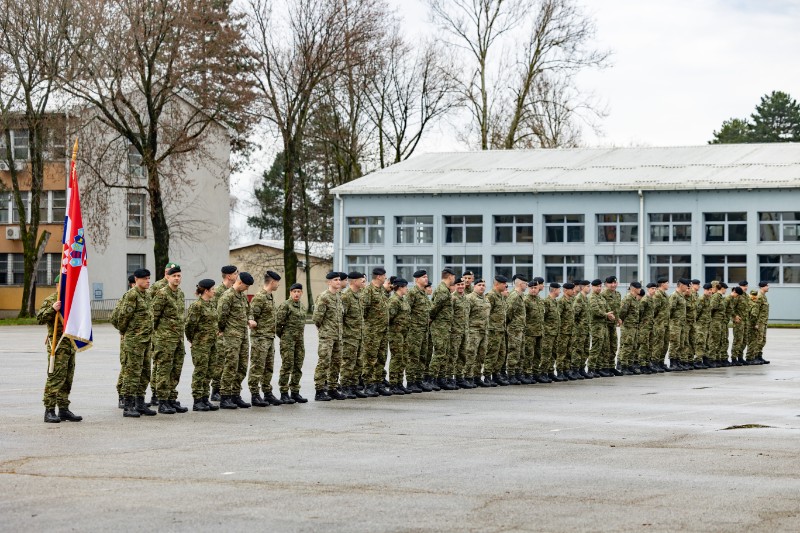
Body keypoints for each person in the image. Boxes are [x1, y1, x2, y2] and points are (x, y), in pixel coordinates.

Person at [37, 275, 82, 423]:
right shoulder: (51, 300)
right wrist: (52, 309)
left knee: (67, 379)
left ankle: (63, 409)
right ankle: (49, 410)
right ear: (57, 285)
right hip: (58, 345)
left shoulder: (71, 300)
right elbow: (40, 318)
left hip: (70, 345)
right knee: (55, 378)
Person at [116, 269, 157, 418]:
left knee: (145, 373)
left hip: (146, 341)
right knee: (132, 373)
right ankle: (128, 405)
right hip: (134, 342)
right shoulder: (132, 295)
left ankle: (140, 403)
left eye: (149, 278)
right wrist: (127, 333)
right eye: (145, 279)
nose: (148, 281)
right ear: (136, 279)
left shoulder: (146, 295)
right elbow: (122, 318)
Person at [151, 265, 187, 414]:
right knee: (164, 370)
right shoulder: (162, 294)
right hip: (164, 340)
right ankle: (162, 401)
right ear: (168, 277)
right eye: (174, 276)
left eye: (179, 276)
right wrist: (155, 338)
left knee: (176, 369)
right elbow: (153, 317)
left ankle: (172, 398)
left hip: (178, 339)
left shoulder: (180, 294)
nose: (177, 278)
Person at [218, 272, 256, 409]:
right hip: (231, 337)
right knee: (230, 366)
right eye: (246, 286)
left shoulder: (242, 297)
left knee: (242, 366)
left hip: (243, 336)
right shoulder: (227, 296)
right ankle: (225, 396)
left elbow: (248, 311)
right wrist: (223, 330)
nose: (247, 289)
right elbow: (221, 317)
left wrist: (250, 319)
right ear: (240, 283)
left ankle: (235, 394)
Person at [146, 260, 178, 406]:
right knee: (160, 366)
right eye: (169, 272)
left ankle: (169, 396)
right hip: (162, 335)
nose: (173, 276)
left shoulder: (178, 292)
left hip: (175, 336)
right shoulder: (157, 287)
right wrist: (156, 332)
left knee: (173, 367)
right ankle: (156, 394)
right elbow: (153, 310)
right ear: (165, 273)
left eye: (178, 275)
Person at [185, 279, 220, 412]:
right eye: (212, 289)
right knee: (200, 371)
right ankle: (197, 400)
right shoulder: (197, 306)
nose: (214, 291)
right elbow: (189, 326)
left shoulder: (211, 305)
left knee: (209, 371)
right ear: (206, 291)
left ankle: (205, 398)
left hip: (212, 343)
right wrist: (192, 339)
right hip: (201, 345)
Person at [248, 271, 281, 407]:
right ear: (272, 282)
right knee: (257, 367)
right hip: (260, 338)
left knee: (268, 367)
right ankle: (255, 394)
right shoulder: (260, 297)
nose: (278, 285)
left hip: (269, 338)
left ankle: (267, 393)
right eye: (277, 282)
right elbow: (251, 315)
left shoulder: (270, 296)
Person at [313, 271, 344, 401]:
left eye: (339, 280)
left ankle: (332, 388)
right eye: (335, 280)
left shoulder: (338, 297)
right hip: (327, 336)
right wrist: (324, 330)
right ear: (329, 282)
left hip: (338, 335)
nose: (338, 282)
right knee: (324, 362)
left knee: (336, 363)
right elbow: (316, 318)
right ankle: (319, 390)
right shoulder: (324, 297)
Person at [210, 265, 238, 401]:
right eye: (235, 273)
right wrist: (217, 330)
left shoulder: (235, 291)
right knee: (219, 361)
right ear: (228, 276)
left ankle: (227, 388)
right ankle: (215, 389)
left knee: (229, 362)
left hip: (232, 332)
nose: (237, 275)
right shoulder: (218, 291)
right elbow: (214, 312)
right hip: (220, 333)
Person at [276, 283, 308, 403]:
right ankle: (284, 392)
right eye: (294, 291)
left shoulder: (302, 307)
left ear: (301, 293)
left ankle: (295, 391)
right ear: (290, 293)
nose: (296, 294)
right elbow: (278, 324)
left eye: (299, 291)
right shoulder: (286, 305)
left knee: (298, 365)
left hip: (299, 340)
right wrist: (284, 336)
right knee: (287, 365)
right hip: (288, 340)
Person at [361, 267, 389, 398]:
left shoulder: (382, 290)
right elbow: (363, 310)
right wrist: (370, 325)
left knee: (381, 357)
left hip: (383, 330)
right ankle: (368, 385)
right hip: (372, 331)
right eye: (384, 276)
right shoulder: (368, 290)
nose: (385, 278)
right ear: (379, 276)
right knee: (370, 359)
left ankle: (378, 383)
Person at [341, 271, 369, 398]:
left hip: (359, 335)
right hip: (349, 337)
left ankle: (354, 386)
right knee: (348, 363)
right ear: (354, 281)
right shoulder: (346, 296)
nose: (363, 281)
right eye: (361, 280)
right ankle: (345, 387)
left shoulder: (359, 295)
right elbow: (341, 317)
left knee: (358, 363)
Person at [429, 268, 456, 389]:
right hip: (439, 326)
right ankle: (431, 378)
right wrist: (431, 318)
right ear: (450, 276)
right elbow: (434, 308)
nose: (454, 280)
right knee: (439, 353)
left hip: (445, 326)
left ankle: (441, 378)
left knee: (444, 353)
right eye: (454, 277)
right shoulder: (442, 290)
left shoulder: (445, 290)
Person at [406, 270, 432, 392]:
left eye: (426, 277)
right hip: (414, 331)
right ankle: (411, 382)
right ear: (417, 279)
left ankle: (419, 380)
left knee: (423, 356)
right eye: (423, 277)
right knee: (413, 357)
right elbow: (407, 311)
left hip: (424, 330)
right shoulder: (412, 293)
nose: (426, 279)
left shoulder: (423, 293)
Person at [113, 274, 136, 408]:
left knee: (136, 369)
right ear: (132, 284)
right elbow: (116, 317)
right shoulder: (127, 297)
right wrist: (123, 331)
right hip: (128, 339)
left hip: (140, 339)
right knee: (127, 367)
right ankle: (122, 394)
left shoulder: (143, 296)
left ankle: (135, 397)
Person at [387, 278, 411, 394]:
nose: (407, 289)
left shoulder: (403, 300)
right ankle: (393, 383)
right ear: (400, 287)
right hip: (395, 334)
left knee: (403, 358)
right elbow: (389, 318)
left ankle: (400, 382)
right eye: (406, 286)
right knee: (396, 358)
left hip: (404, 333)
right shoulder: (394, 301)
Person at [466, 278, 491, 386]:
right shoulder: (469, 298)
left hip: (484, 331)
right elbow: (465, 315)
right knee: (471, 354)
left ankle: (477, 376)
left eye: (483, 285)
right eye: (479, 285)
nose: (482, 287)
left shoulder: (486, 299)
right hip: (473, 331)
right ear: (474, 286)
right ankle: (467, 376)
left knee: (481, 355)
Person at [449, 276, 473, 388]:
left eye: (462, 284)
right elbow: (449, 316)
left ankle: (459, 377)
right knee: (452, 355)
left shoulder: (467, 299)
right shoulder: (452, 298)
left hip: (464, 331)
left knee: (463, 355)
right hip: (455, 332)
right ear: (454, 286)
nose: (460, 286)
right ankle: (449, 378)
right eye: (458, 284)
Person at [485, 275, 508, 385]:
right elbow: (486, 313)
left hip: (501, 330)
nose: (505, 285)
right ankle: (487, 376)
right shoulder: (491, 296)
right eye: (503, 283)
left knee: (501, 354)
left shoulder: (501, 296)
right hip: (493, 330)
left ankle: (496, 374)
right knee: (492, 354)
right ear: (496, 284)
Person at [505, 274, 527, 384]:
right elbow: (508, 313)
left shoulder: (521, 295)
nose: (527, 285)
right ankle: (511, 374)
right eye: (525, 283)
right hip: (514, 329)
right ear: (519, 283)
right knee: (514, 352)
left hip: (520, 328)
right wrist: (511, 326)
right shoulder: (513, 296)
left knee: (521, 352)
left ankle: (518, 373)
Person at [618, 282, 642, 375]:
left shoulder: (635, 299)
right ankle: (623, 366)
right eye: (638, 288)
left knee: (633, 346)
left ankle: (629, 365)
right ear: (633, 288)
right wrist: (622, 321)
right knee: (627, 346)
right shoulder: (628, 298)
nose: (640, 289)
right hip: (628, 326)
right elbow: (622, 312)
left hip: (634, 326)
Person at [523, 278, 544, 383]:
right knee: (528, 354)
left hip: (539, 332)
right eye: (531, 288)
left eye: (535, 288)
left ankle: (536, 372)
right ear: (528, 288)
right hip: (529, 333)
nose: (534, 290)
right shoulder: (526, 300)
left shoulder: (539, 299)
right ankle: (527, 373)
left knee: (538, 354)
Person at [541, 282, 561, 382]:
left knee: (553, 354)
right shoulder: (546, 302)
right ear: (554, 290)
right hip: (548, 333)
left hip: (555, 333)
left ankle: (550, 372)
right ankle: (543, 373)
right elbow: (543, 318)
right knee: (546, 354)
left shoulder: (555, 302)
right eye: (558, 289)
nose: (560, 291)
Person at [748, 281, 770, 364]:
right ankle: (754, 356)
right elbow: (755, 311)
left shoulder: (764, 296)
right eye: (767, 286)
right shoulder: (759, 297)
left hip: (763, 322)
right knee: (758, 340)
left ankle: (759, 356)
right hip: (759, 322)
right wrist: (755, 323)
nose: (768, 287)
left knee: (762, 340)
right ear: (762, 287)